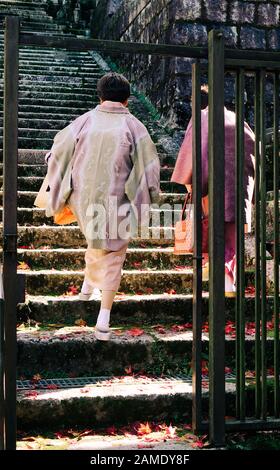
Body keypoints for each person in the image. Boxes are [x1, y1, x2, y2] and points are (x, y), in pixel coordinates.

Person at [43, 72, 160, 340]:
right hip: (117, 200)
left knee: (96, 239)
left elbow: (58, 151)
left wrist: (61, 177)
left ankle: (86, 287)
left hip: (85, 199)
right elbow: (150, 168)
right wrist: (147, 195)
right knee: (113, 254)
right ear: (128, 100)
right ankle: (103, 321)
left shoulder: (84, 121)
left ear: (100, 96)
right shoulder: (135, 126)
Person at [171, 85, 255, 296]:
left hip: (211, 185)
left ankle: (220, 280)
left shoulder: (201, 118)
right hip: (238, 184)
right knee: (230, 235)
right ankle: (228, 282)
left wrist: (192, 184)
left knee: (211, 231)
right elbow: (251, 147)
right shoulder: (236, 119)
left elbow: (193, 152)